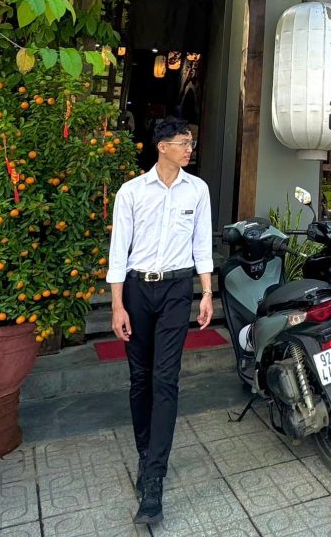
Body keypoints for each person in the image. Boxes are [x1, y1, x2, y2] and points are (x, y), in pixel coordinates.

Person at [106, 117, 214, 525]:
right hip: (137, 290)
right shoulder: (131, 192)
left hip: (176, 290)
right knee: (140, 379)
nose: (189, 148)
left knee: (166, 379)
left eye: (191, 142)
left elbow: (202, 244)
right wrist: (117, 305)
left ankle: (154, 479)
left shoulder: (197, 190)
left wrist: (207, 292)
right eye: (183, 142)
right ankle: (144, 452)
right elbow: (119, 251)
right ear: (162, 147)